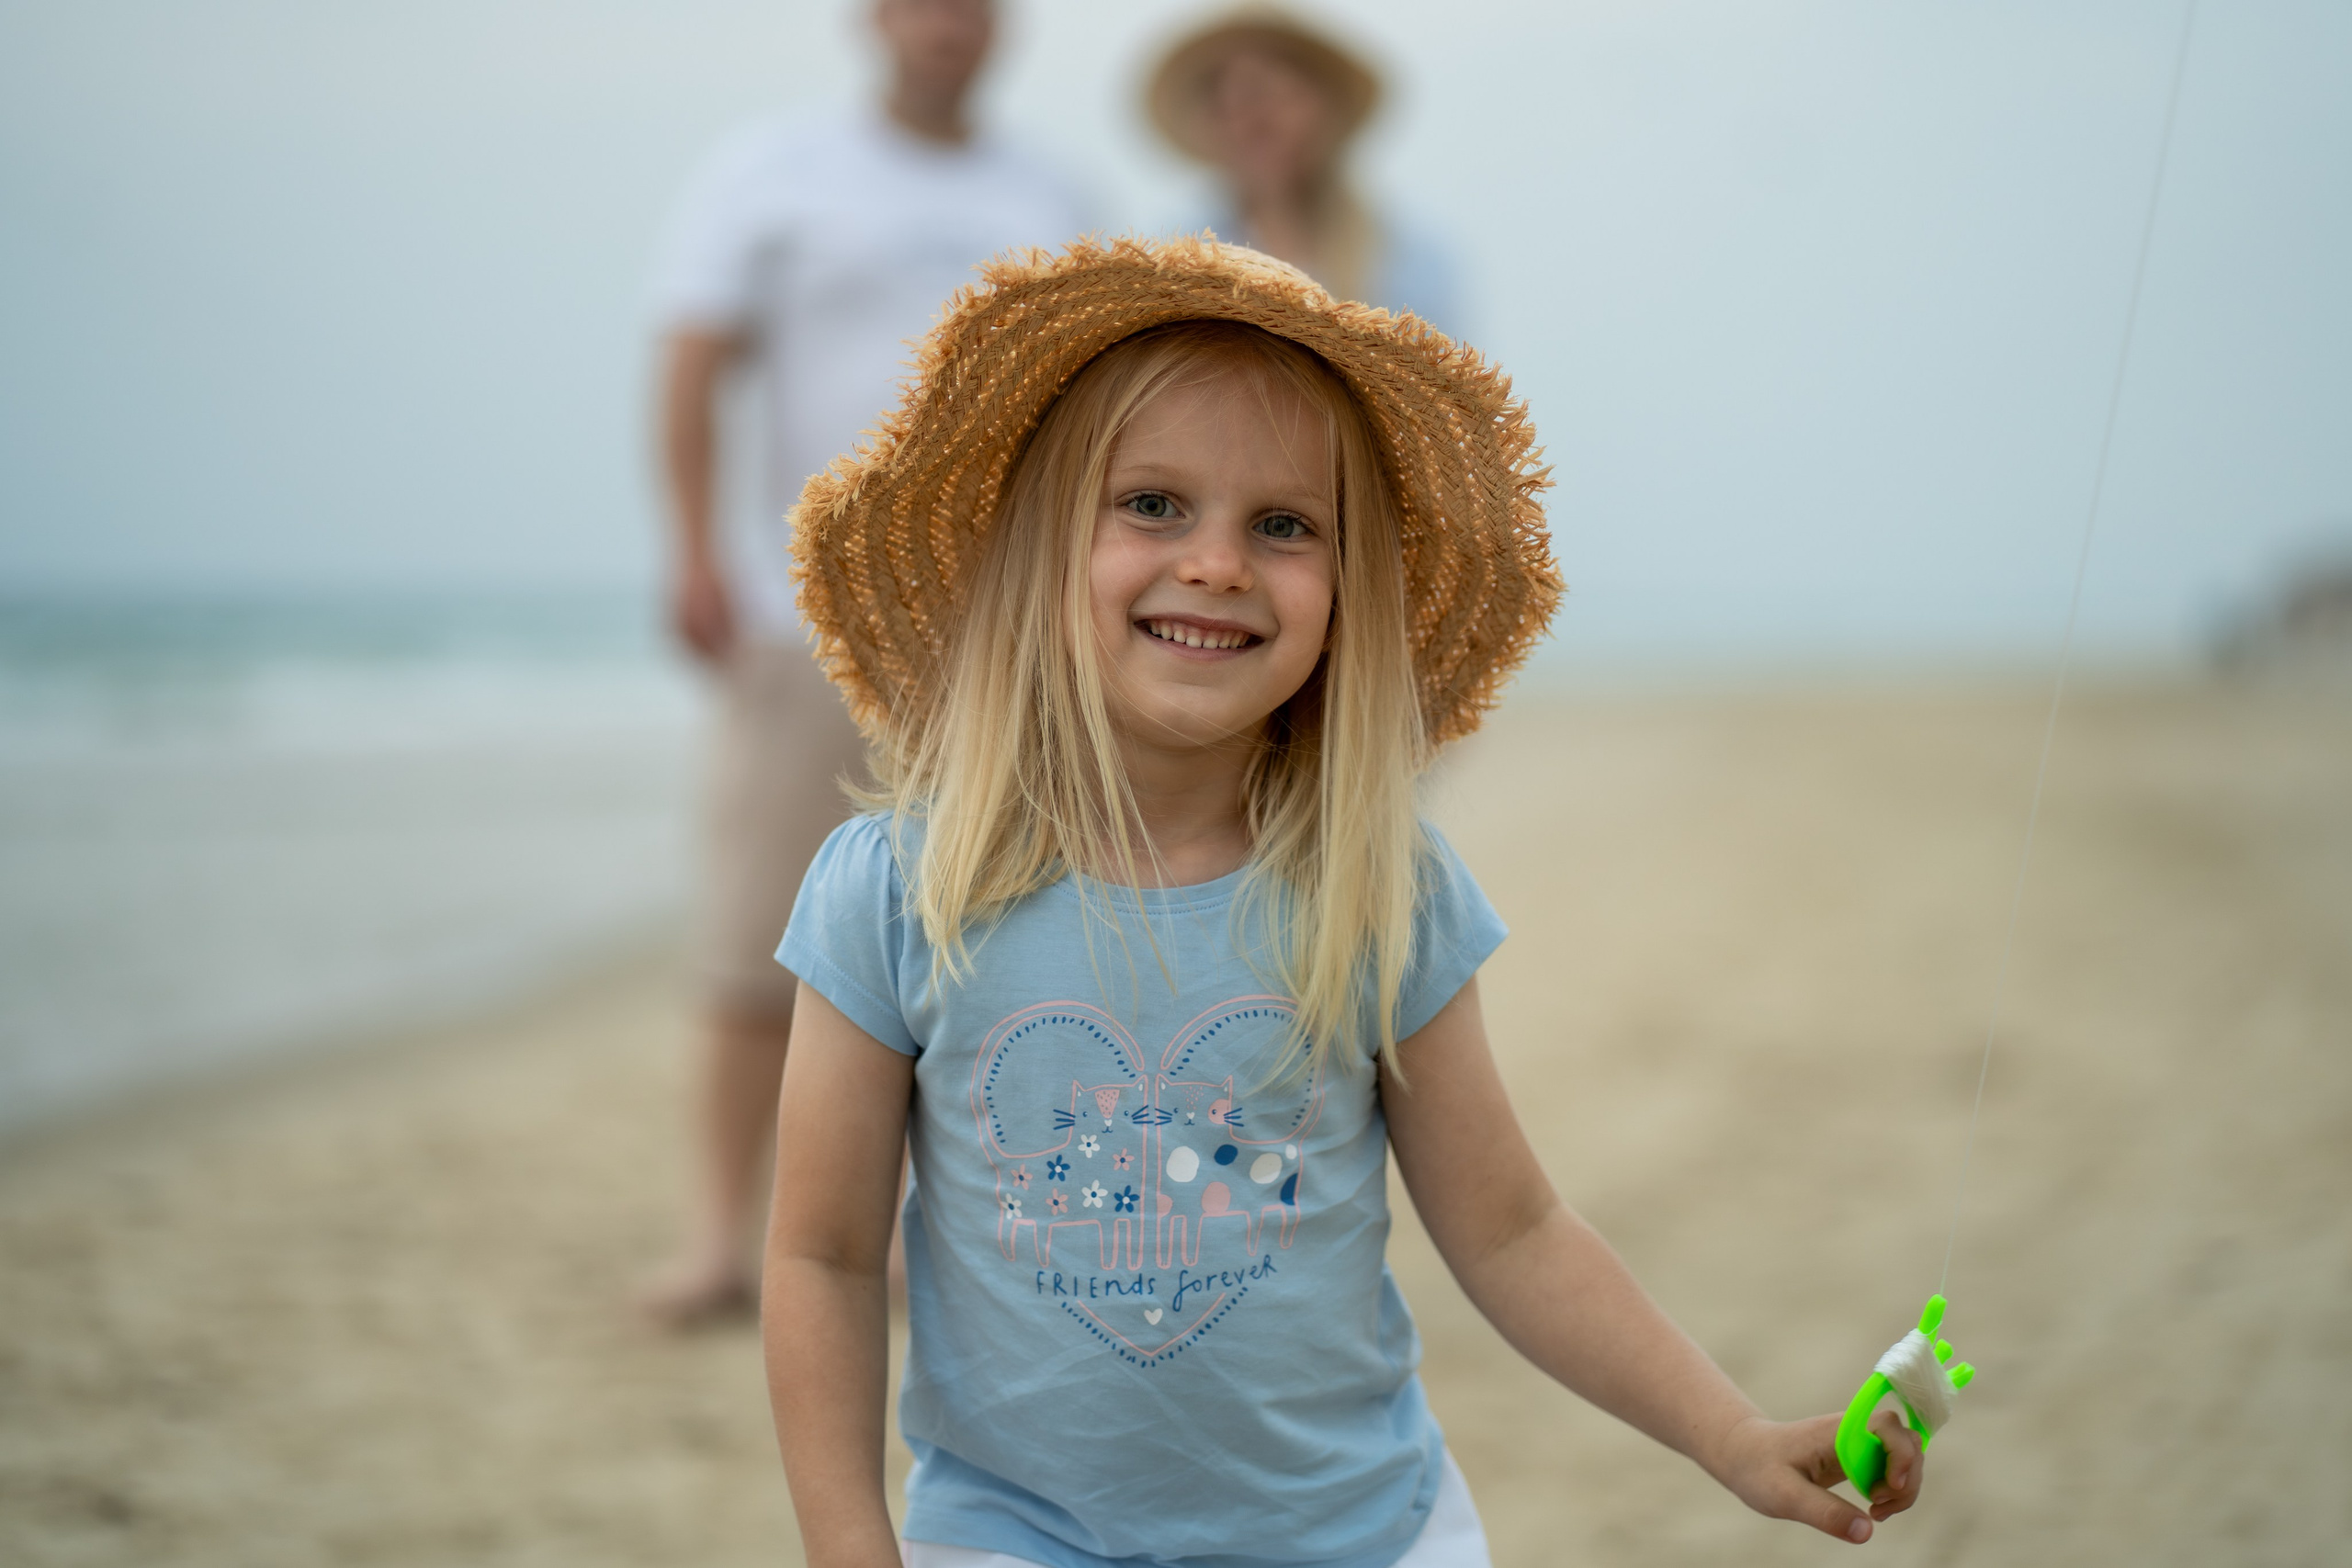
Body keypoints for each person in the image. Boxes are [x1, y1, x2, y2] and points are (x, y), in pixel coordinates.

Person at [759, 236, 1928, 1567]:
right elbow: (824, 1256)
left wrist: (1731, 1434)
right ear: (1039, 550)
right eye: (1152, 504)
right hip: (1015, 1536)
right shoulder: (902, 892)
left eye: (1284, 525)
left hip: (1359, 1534)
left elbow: (1513, 1229)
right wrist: (849, 1547)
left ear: (1344, 595)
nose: (1216, 563)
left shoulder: (1376, 889)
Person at [644, 0, 1084, 1325]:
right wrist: (692, 549)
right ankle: (717, 1238)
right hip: (804, 617)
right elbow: (690, 361)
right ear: (874, 18)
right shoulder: (770, 169)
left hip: (1000, 631)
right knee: (757, 935)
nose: (950, 24)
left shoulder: (1053, 193)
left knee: (971, 941)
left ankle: (919, 1234)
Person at [1147, 6, 1460, 331]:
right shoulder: (1177, 262)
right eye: (1228, 109)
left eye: (1273, 98)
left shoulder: (1406, 261)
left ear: (1324, 109)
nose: (1251, 125)